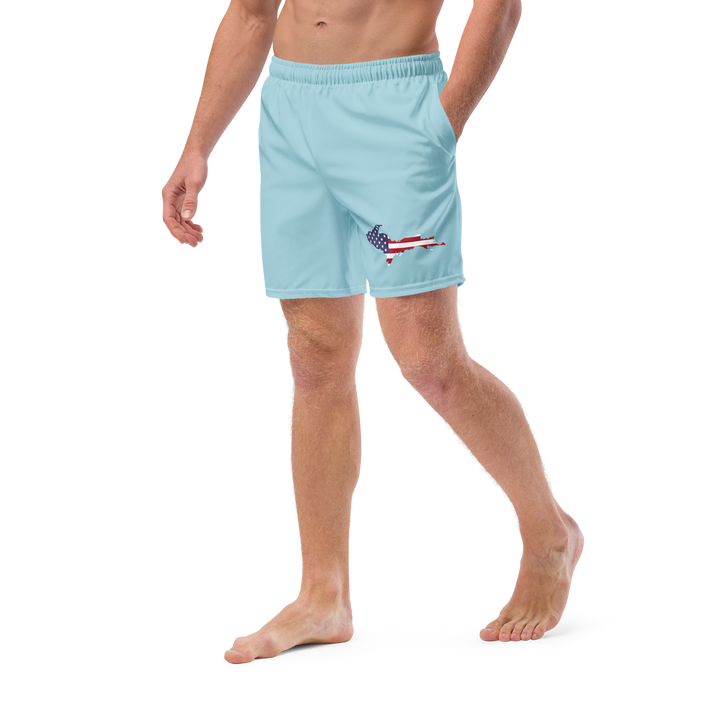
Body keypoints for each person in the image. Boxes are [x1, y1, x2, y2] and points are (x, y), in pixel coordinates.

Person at [159, 0, 586, 663]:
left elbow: (500, 4)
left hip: (396, 107)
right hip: (291, 108)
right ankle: (323, 593)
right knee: (315, 359)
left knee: (429, 361)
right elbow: (250, 12)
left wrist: (442, 127)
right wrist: (197, 145)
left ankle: (549, 533)